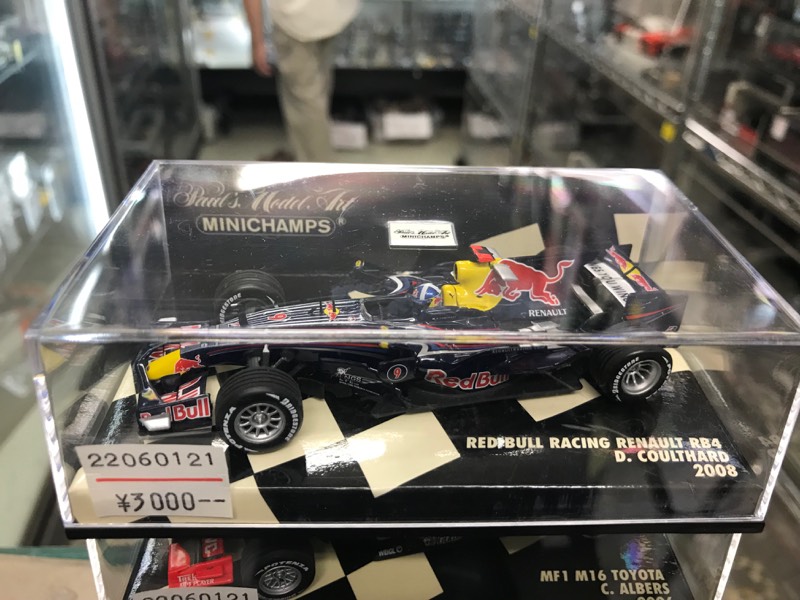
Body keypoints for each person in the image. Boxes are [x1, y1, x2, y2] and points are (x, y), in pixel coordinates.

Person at [244, 0, 360, 162]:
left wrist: (257, 42)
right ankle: (307, 156)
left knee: (305, 103)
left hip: (295, 22)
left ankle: (318, 168)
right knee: (318, 95)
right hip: (333, 17)